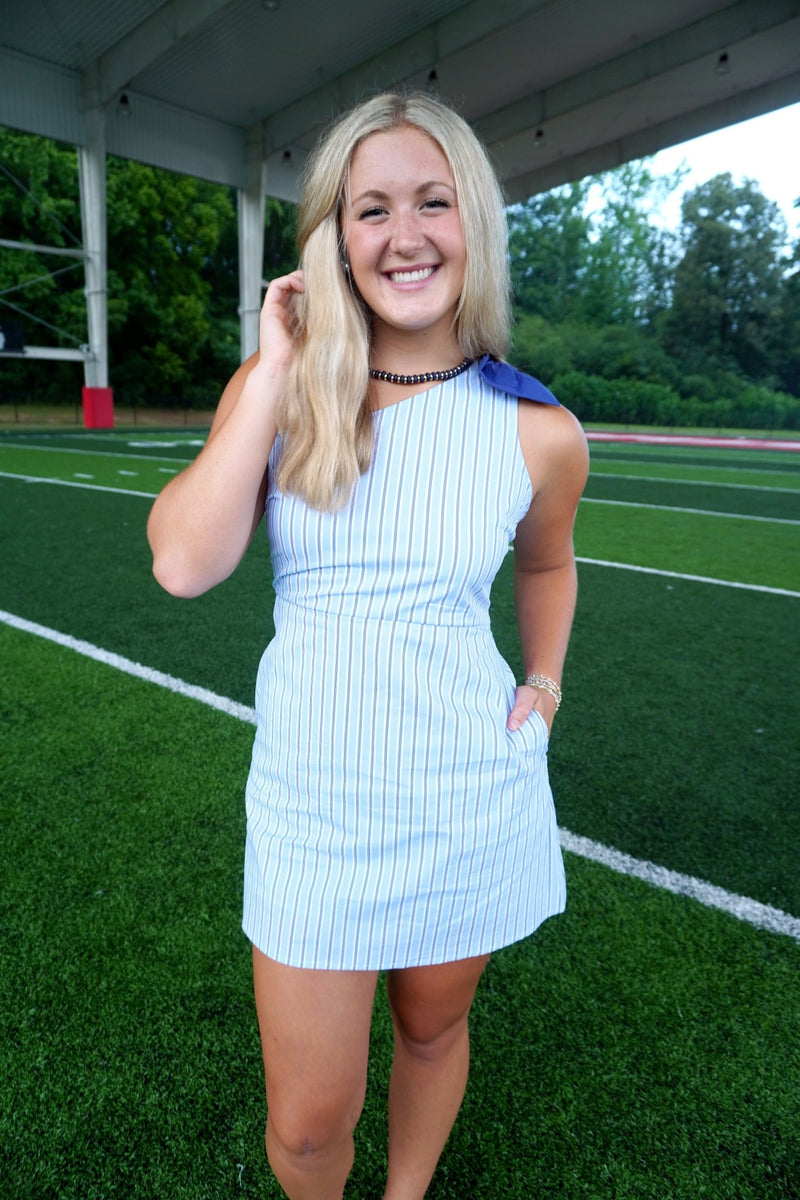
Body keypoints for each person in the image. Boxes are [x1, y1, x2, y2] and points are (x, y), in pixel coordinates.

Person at [147, 90, 588, 1200]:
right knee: (304, 1126)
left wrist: (542, 678)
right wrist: (273, 367)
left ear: (470, 221)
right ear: (332, 238)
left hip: (464, 792)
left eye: (432, 202)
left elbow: (546, 564)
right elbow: (183, 565)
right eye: (370, 208)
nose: (403, 235)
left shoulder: (537, 430)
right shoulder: (278, 395)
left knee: (433, 1034)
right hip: (313, 807)